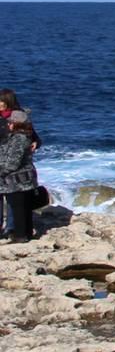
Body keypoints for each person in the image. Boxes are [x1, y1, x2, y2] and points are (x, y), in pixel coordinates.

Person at [0, 90, 39, 241]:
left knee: (17, 205)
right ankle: (19, 232)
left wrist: (35, 142)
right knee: (19, 205)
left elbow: (13, 160)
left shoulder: (19, 131)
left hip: (14, 175)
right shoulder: (18, 133)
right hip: (13, 170)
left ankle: (16, 232)